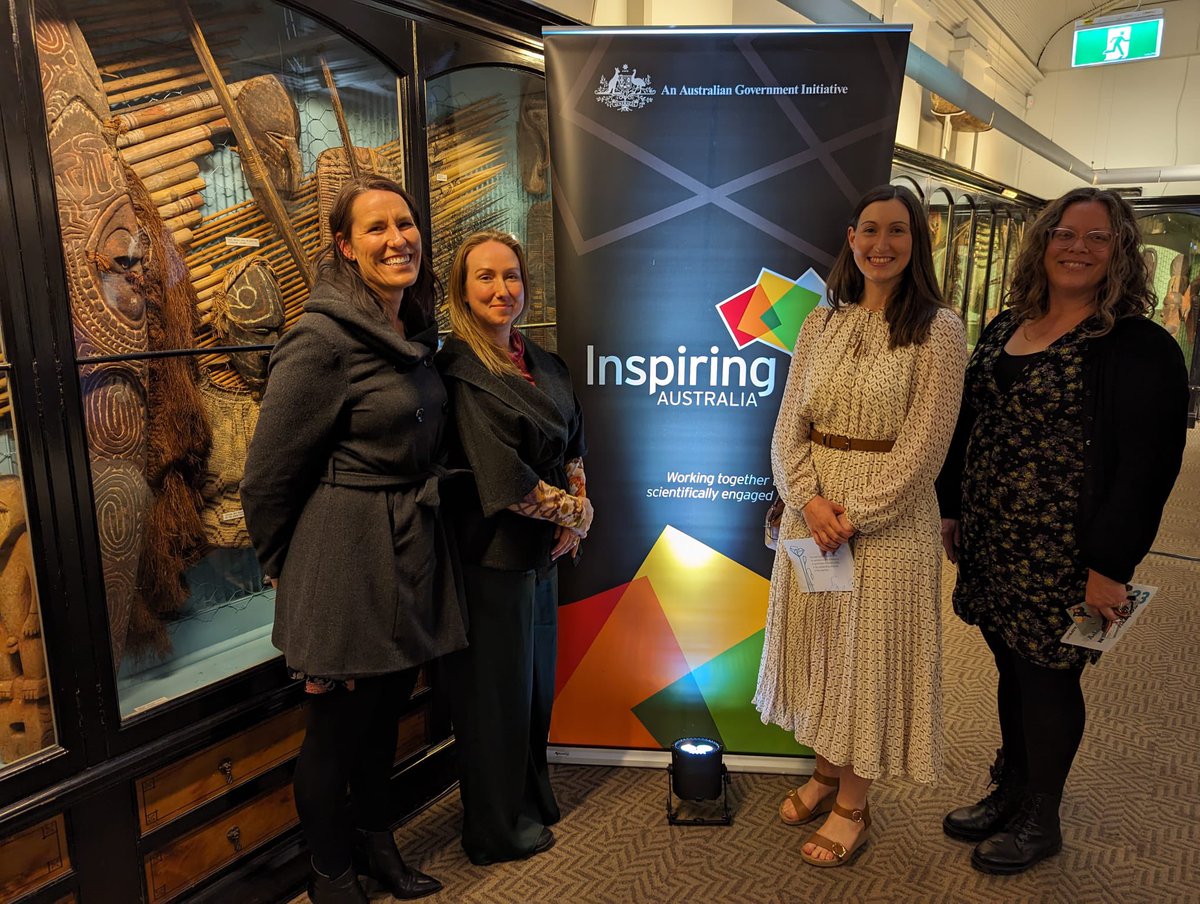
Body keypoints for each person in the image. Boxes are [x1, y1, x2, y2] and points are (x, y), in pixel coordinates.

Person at [936, 187, 1188, 875]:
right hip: (993, 537)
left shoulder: (1139, 346)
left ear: (1120, 254)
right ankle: (1011, 787)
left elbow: (1147, 468)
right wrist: (952, 503)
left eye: (1097, 237)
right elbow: (971, 420)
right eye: (1064, 234)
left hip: (1067, 551)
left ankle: (1041, 815)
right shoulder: (1005, 325)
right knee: (1008, 666)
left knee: (1048, 675)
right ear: (1042, 242)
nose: (1078, 247)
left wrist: (1110, 562)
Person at [242, 175, 467, 903]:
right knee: (334, 733)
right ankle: (331, 874)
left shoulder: (412, 330)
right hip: (340, 560)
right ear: (344, 246)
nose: (397, 239)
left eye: (405, 224)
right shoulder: (320, 338)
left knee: (381, 724)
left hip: (407, 550)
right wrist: (281, 565)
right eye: (375, 228)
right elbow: (266, 475)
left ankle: (378, 848)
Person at [754, 185, 967, 868]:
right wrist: (806, 501)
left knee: (867, 663)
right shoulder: (819, 323)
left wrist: (852, 518)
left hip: (887, 524)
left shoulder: (939, 328)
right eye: (870, 230)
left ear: (917, 241)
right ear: (851, 239)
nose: (882, 244)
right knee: (820, 652)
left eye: (898, 231)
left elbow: (926, 449)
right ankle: (824, 770)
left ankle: (854, 802)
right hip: (812, 514)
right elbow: (790, 424)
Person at [436, 230, 590, 866]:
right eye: (485, 278)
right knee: (494, 698)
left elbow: (574, 441)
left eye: (512, 276)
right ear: (462, 291)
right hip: (493, 556)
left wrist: (577, 508)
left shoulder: (541, 359)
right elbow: (505, 481)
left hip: (543, 556)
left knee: (533, 690)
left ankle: (530, 797)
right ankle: (493, 829)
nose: (502, 290)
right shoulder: (461, 370)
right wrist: (576, 512)